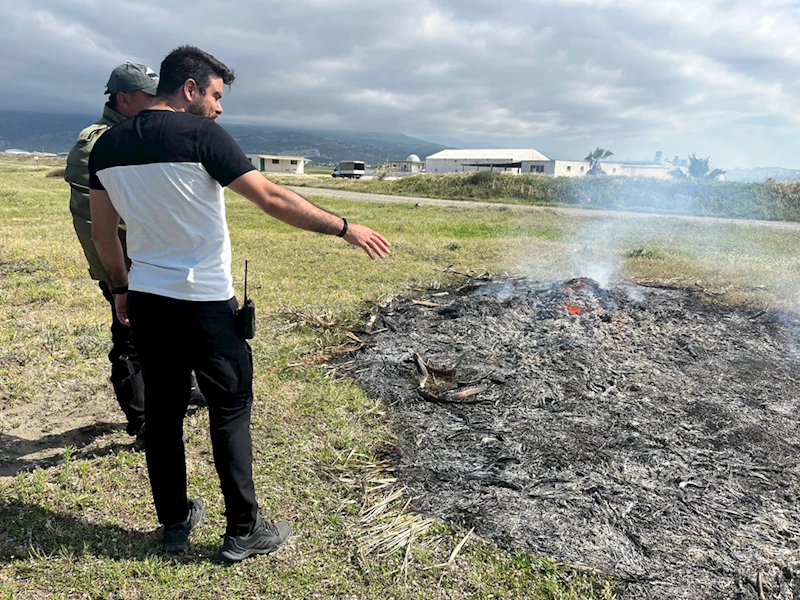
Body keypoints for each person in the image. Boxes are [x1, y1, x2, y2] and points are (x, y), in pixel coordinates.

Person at [88, 45, 390, 560]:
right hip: (205, 303)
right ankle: (243, 531)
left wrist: (120, 289)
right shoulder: (202, 134)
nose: (220, 108)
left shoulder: (107, 146)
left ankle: (175, 523)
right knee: (229, 410)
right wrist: (344, 227)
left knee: (162, 415)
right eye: (216, 95)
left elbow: (103, 232)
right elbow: (271, 198)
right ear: (189, 90)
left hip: (148, 301)